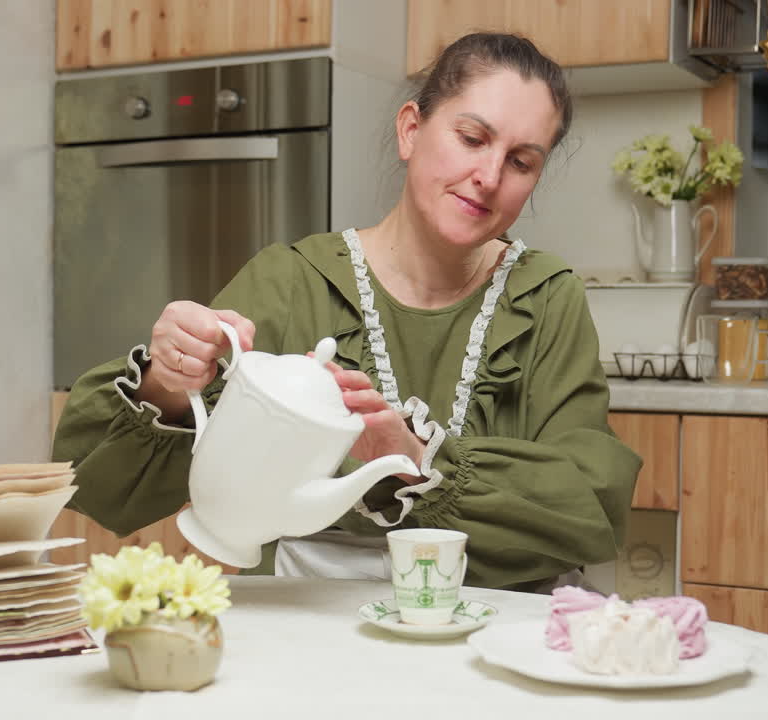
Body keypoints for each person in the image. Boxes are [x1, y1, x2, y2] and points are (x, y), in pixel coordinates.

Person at [52, 32, 642, 592]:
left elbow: (588, 505)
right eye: (471, 138)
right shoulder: (292, 281)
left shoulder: (545, 297)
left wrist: (418, 460)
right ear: (411, 130)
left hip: (494, 629)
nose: (488, 176)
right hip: (308, 624)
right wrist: (169, 381)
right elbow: (99, 489)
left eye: (521, 162)